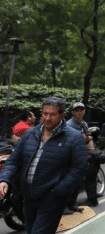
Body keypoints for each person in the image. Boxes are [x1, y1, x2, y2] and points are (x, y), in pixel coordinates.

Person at [0, 97, 87, 233]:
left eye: (52, 114)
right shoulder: (30, 134)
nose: (47, 118)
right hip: (28, 197)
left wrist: (58, 190)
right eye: (45, 113)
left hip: (52, 198)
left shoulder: (74, 137)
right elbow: (14, 161)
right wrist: (4, 179)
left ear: (62, 115)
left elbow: (79, 169)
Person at [66, 102, 100, 210]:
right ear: (72, 112)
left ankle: (75, 203)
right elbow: (70, 141)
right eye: (77, 110)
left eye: (82, 110)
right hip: (74, 155)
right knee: (75, 180)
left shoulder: (83, 123)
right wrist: (84, 139)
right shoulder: (69, 124)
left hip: (85, 154)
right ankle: (70, 204)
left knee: (85, 178)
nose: (80, 112)